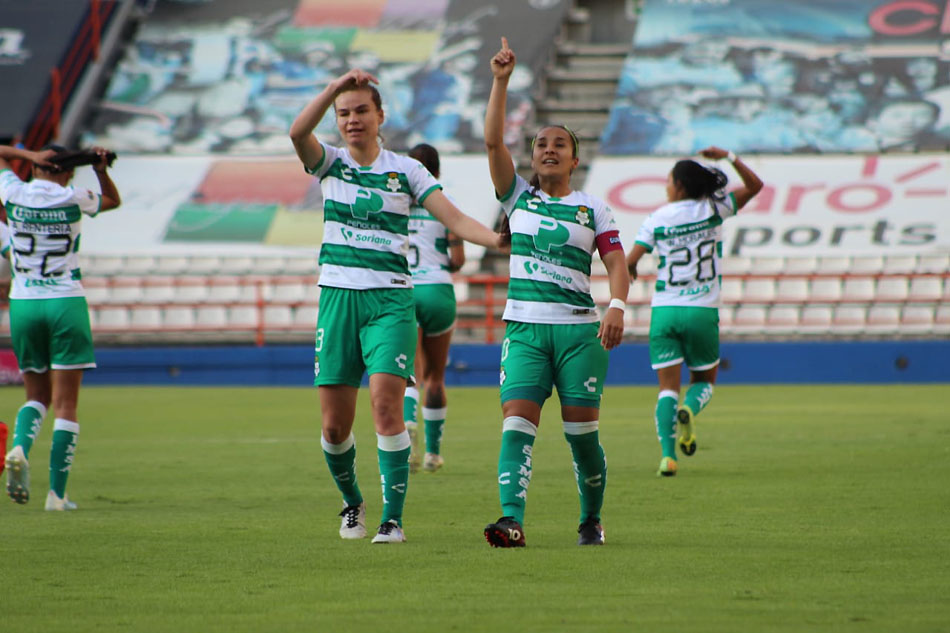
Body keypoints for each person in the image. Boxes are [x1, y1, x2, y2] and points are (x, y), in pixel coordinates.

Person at [289, 69, 505, 544]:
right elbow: (297, 132)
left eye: (361, 110)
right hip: (337, 299)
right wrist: (331, 88)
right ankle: (352, 503)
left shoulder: (406, 170)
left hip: (391, 299)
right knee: (333, 426)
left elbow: (452, 217)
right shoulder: (329, 163)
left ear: (380, 115)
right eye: (344, 113)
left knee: (387, 405)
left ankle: (392, 519)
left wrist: (495, 238)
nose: (352, 120)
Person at [482, 38, 629, 548]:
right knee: (516, 424)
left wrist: (616, 305)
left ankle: (591, 519)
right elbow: (493, 145)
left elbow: (615, 262)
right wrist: (501, 82)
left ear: (574, 159)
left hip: (578, 334)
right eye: (541, 143)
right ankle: (510, 519)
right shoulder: (518, 198)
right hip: (523, 329)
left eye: (558, 144)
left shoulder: (594, 210)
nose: (547, 149)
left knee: (581, 436)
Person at [626, 146, 763, 477]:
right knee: (704, 381)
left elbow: (631, 260)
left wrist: (629, 269)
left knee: (666, 388)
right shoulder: (714, 209)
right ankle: (690, 408)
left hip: (665, 311)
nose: (666, 186)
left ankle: (667, 457)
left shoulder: (656, 219)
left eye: (669, 181)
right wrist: (729, 157)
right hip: (702, 310)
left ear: (680, 187)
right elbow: (756, 186)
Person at [0, 143, 121, 510]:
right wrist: (100, 169)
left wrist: (27, 156)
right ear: (68, 171)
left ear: (37, 166)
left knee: (36, 396)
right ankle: (57, 495)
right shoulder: (73, 197)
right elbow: (112, 201)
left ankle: (20, 446)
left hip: (23, 304)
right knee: (66, 403)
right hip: (65, 300)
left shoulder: (13, 191)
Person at [402, 143, 464, 474]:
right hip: (438, 290)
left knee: (410, 373)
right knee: (436, 378)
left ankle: (408, 424)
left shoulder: (395, 205)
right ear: (437, 173)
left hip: (403, 291)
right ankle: (433, 454)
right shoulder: (444, 206)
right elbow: (457, 260)